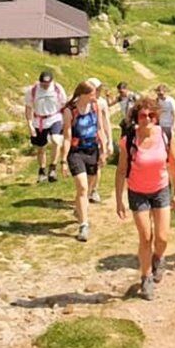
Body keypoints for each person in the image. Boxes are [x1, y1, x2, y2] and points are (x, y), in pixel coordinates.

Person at [115, 96, 175, 301]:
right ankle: (146, 278)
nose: (147, 119)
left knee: (162, 237)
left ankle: (158, 259)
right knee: (145, 236)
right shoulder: (129, 140)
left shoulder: (165, 135)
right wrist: (119, 199)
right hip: (137, 191)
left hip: (160, 189)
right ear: (137, 117)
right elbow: (121, 170)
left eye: (152, 115)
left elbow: (174, 163)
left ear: (157, 116)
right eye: (143, 115)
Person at [62, 81, 103, 241]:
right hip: (76, 151)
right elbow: (67, 136)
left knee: (90, 184)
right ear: (84, 94)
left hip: (92, 149)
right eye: (93, 93)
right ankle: (84, 225)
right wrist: (64, 160)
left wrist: (105, 148)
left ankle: (79, 207)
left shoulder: (95, 107)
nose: (96, 96)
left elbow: (99, 128)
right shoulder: (70, 111)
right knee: (83, 187)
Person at [24, 70, 67, 183]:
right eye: (43, 84)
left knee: (56, 140)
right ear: (40, 82)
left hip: (54, 117)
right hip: (39, 120)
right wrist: (30, 124)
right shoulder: (33, 90)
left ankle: (53, 168)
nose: (45, 86)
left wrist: (65, 120)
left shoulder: (57, 88)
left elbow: (64, 104)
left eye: (47, 84)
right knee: (41, 147)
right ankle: (42, 170)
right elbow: (28, 107)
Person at [85, 78, 113, 203]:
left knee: (97, 165)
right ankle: (85, 191)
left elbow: (106, 122)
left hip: (99, 138)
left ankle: (94, 190)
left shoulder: (101, 103)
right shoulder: (82, 102)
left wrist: (110, 141)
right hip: (84, 139)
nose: (99, 91)